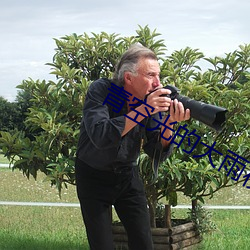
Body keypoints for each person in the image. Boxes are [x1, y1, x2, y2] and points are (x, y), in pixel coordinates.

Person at [75, 44, 190, 250]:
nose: (158, 83)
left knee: (144, 243)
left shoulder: (150, 101)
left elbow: (155, 150)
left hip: (128, 176)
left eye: (159, 75)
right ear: (128, 78)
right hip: (93, 176)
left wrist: (170, 123)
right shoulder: (103, 90)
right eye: (151, 75)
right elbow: (101, 135)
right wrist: (144, 110)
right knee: (101, 245)